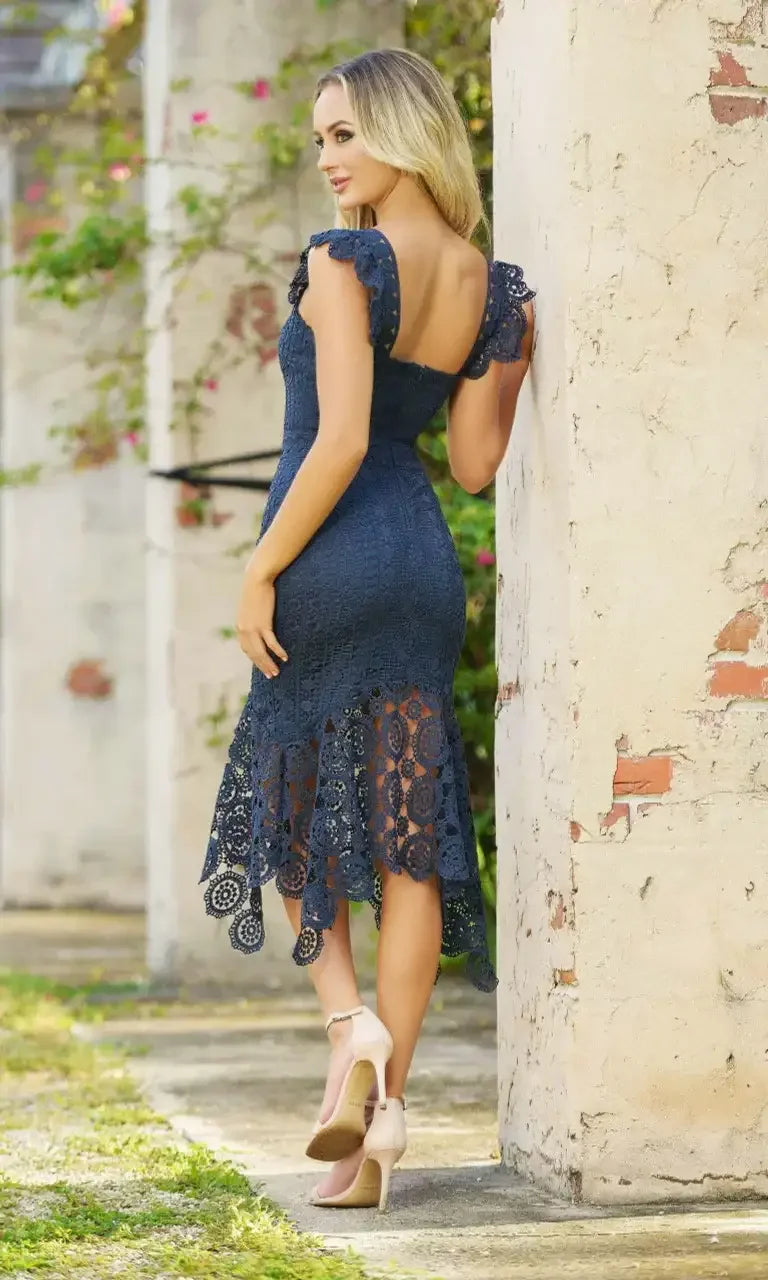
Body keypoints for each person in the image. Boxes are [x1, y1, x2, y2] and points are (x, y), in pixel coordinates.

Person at [199, 47, 535, 1212]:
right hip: (420, 564)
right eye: (321, 140)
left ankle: (351, 1032)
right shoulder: (494, 284)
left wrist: (260, 565)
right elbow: (478, 466)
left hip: (331, 546)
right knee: (410, 835)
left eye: (344, 134)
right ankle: (374, 1130)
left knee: (291, 809)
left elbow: (338, 439)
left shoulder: (341, 259)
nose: (328, 158)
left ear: (401, 130)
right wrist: (513, 345)